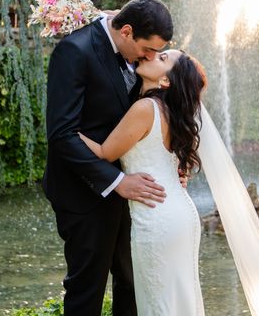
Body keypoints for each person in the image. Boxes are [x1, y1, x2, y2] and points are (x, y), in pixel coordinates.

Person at [43, 0, 175, 316]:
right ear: (127, 31)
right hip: (85, 193)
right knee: (87, 289)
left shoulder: (138, 54)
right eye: (147, 49)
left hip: (133, 195)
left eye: (157, 52)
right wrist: (117, 182)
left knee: (132, 284)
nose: (150, 57)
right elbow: (61, 134)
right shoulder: (75, 51)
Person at [79, 49, 207, 315]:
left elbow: (105, 152)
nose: (152, 56)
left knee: (158, 304)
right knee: (177, 301)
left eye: (162, 59)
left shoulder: (145, 108)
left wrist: (68, 132)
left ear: (166, 81)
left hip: (156, 218)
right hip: (180, 214)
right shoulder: (169, 111)